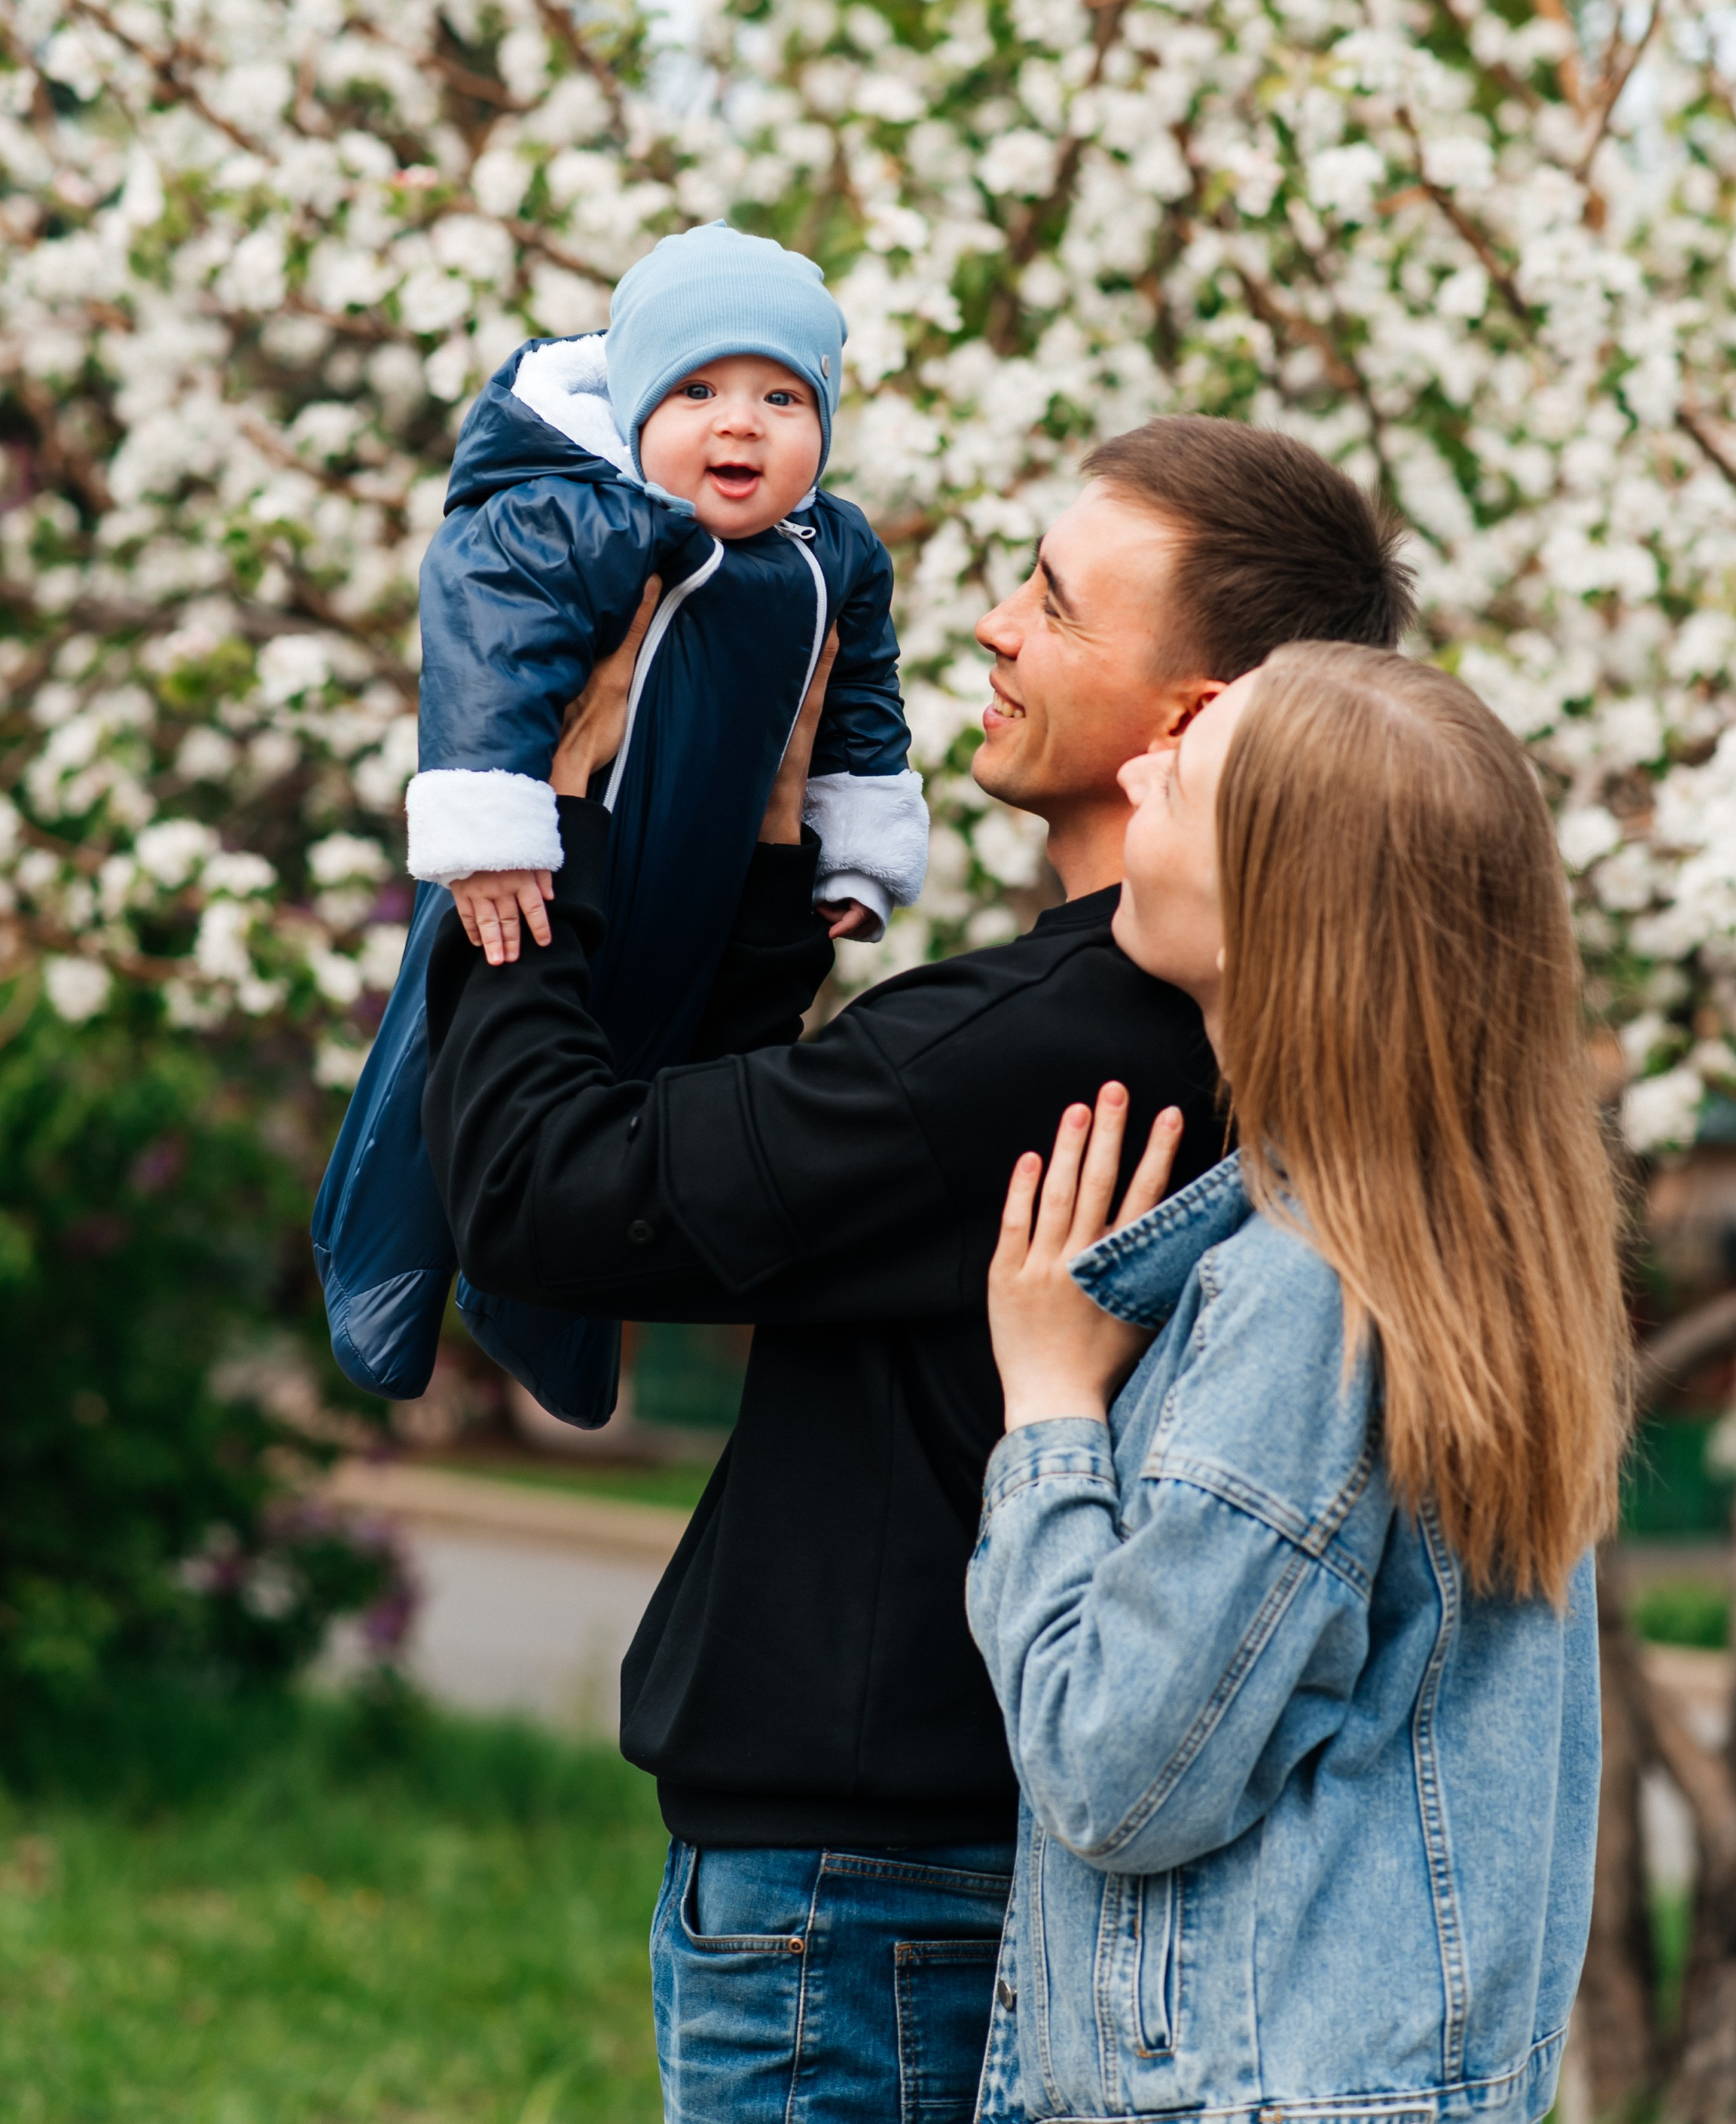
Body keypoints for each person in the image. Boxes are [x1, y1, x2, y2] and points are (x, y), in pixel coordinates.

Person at [420, 419, 1417, 2124]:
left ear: (1186, 719)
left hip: (855, 1906)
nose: (992, 629)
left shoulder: (1028, 1049)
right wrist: (757, 859)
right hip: (937, 1878)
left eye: (1051, 603)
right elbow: (751, 1187)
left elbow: (546, 1194)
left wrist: (537, 824)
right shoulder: (1204, 1032)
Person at [969, 642, 1630, 2124]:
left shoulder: (1301, 1292)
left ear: (1285, 903)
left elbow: (1115, 1769)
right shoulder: (1469, 1245)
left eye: (1183, 775)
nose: (1135, 768)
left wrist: (1048, 1404)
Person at [315, 220, 927, 1421]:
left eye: (782, 397)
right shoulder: (579, 518)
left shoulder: (830, 551)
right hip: (548, 860)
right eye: (697, 390)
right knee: (456, 1060)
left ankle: (551, 1310)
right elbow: (485, 631)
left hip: (700, 883)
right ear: (638, 404)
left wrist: (852, 838)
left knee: (641, 1080)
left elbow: (863, 692)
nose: (740, 422)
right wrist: (493, 827)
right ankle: (381, 1276)